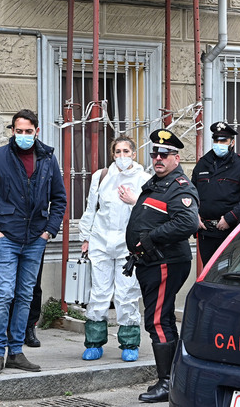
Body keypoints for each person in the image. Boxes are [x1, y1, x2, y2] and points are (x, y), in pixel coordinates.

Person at [0, 109, 67, 376]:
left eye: (29, 131)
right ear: (12, 131)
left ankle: (16, 352)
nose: (24, 136)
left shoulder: (47, 159)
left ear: (36, 131)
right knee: (5, 294)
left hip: (36, 238)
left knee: (25, 295)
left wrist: (49, 231)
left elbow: (59, 198)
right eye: (19, 131)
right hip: (6, 236)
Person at [125, 128, 199, 403]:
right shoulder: (155, 184)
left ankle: (167, 382)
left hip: (166, 261)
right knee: (163, 318)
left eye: (165, 154)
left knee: (157, 320)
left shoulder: (179, 187)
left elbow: (187, 223)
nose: (158, 158)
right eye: (155, 153)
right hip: (150, 262)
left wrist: (149, 238)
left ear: (176, 158)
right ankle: (175, 378)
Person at [78, 136, 151, 362]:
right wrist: (86, 238)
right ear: (113, 154)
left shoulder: (144, 179)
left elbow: (150, 211)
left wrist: (135, 200)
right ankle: (94, 342)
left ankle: (130, 343)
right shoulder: (101, 177)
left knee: (126, 293)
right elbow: (91, 209)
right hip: (101, 240)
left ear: (133, 153)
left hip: (128, 245)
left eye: (126, 151)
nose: (122, 156)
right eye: (117, 152)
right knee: (98, 293)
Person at [191, 121, 240, 266]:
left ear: (232, 142)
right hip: (206, 231)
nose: (219, 143)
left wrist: (230, 218)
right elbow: (191, 194)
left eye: (223, 140)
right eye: (216, 140)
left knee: (227, 272)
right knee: (209, 271)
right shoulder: (203, 164)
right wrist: (194, 215)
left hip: (230, 232)